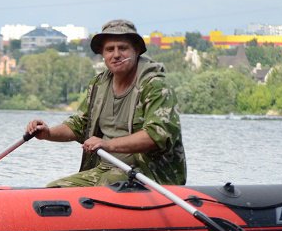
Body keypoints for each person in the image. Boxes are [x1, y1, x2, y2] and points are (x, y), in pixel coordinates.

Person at [25, 19, 186, 187]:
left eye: (122, 48)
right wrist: (48, 133)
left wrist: (107, 145)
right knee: (54, 190)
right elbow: (79, 125)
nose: (116, 55)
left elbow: (156, 136)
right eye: (110, 49)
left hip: (149, 175)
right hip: (105, 170)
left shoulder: (156, 86)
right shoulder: (98, 85)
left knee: (108, 185)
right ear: (103, 54)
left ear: (136, 50)